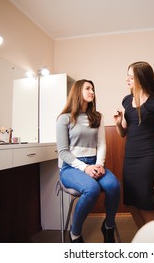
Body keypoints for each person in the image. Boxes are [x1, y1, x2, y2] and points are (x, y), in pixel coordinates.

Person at [56, 79, 120, 243]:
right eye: (88, 88)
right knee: (91, 188)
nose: (92, 92)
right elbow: (63, 152)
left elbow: (101, 144)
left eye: (93, 89)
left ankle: (108, 227)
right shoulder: (64, 119)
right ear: (78, 92)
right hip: (71, 168)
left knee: (113, 186)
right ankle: (75, 233)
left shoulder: (97, 117)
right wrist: (85, 168)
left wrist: (99, 164)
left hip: (94, 163)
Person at [113, 61, 154, 229]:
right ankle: (144, 239)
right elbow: (123, 133)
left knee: (145, 206)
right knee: (131, 205)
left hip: (148, 157)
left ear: (142, 78)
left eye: (131, 77)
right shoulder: (126, 100)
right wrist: (117, 123)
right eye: (127, 76)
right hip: (130, 158)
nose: (127, 79)